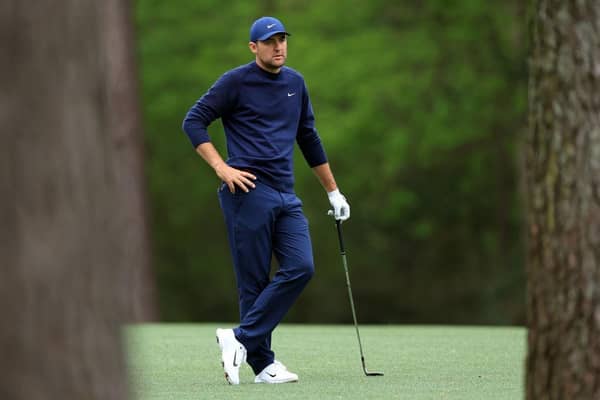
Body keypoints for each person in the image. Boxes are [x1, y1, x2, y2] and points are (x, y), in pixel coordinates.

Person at [182, 16, 350, 385]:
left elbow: (309, 138)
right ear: (253, 47)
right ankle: (263, 366)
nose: (279, 47)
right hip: (246, 191)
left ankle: (238, 338)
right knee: (253, 283)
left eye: (282, 40)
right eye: (270, 41)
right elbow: (193, 121)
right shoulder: (235, 82)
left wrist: (333, 191)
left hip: (285, 195)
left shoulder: (295, 83)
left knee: (302, 266)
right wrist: (221, 168)